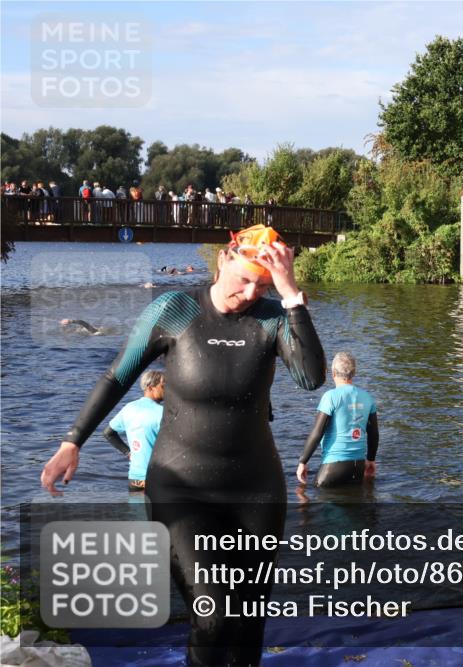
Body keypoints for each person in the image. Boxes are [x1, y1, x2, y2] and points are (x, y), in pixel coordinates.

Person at [40, 224, 326, 665]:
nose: (250, 292)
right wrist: (72, 440)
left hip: (257, 490)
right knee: (211, 618)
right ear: (224, 259)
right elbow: (117, 376)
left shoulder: (271, 317)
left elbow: (310, 378)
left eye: (262, 283)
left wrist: (290, 295)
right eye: (244, 278)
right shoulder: (175, 309)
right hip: (181, 489)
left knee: (248, 622)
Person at [297, 352, 379, 488]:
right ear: (354, 372)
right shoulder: (368, 398)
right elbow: (374, 433)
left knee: (305, 497)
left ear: (333, 373)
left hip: (333, 467)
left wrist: (302, 462)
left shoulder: (330, 397)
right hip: (358, 466)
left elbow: (317, 433)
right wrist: (371, 460)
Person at [102, 370, 165, 492]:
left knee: (138, 511)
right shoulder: (163, 412)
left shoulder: (128, 408)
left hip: (135, 478)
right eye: (163, 386)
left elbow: (108, 433)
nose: (167, 390)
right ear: (151, 388)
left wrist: (128, 453)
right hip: (158, 478)